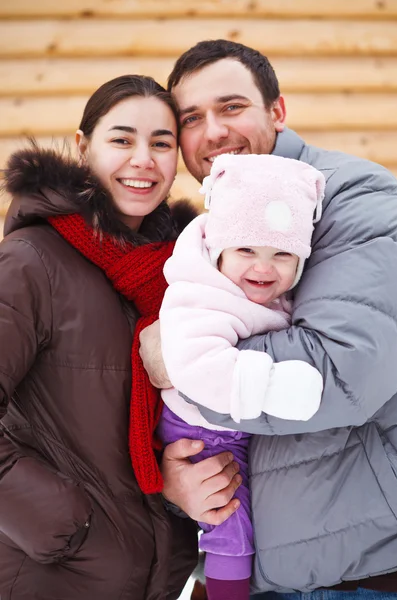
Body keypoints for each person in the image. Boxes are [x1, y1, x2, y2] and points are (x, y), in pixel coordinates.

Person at [139, 40, 397, 599]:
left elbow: (343, 373)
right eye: (192, 117)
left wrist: (188, 364)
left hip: (382, 570)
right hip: (287, 567)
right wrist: (178, 471)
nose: (213, 131)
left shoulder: (355, 198)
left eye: (232, 107)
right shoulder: (213, 232)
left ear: (277, 111)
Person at [0, 74, 202, 599]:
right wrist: (66, 523)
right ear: (83, 146)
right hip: (50, 578)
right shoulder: (31, 263)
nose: (144, 159)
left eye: (161, 143)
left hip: (152, 581)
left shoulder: (176, 275)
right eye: (122, 139)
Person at [152, 153, 325, 600]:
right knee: (230, 521)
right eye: (246, 250)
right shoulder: (202, 296)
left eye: (282, 254)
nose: (263, 268)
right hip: (199, 430)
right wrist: (269, 385)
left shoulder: (268, 293)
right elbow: (197, 368)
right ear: (219, 250)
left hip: (235, 427)